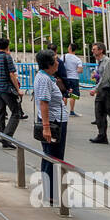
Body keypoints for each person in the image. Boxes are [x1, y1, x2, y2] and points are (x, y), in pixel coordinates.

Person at [33, 49, 69, 204]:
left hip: (56, 120)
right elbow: (43, 103)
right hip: (53, 123)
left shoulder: (48, 77)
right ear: (48, 63)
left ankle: (50, 191)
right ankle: (51, 193)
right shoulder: (44, 79)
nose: (58, 62)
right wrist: (46, 127)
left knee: (51, 156)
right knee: (53, 157)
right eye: (55, 59)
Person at [0, 37, 24, 149]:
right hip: (6, 89)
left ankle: (3, 136)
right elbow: (11, 74)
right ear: (7, 46)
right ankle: (6, 137)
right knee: (16, 113)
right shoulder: (7, 57)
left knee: (1, 114)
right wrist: (18, 89)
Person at [61, 42, 83, 115]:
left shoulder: (63, 56)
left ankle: (63, 110)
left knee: (65, 95)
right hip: (74, 78)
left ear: (69, 48)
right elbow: (80, 70)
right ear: (75, 50)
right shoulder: (77, 59)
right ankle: (72, 111)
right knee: (73, 95)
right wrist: (74, 70)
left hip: (65, 78)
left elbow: (60, 65)